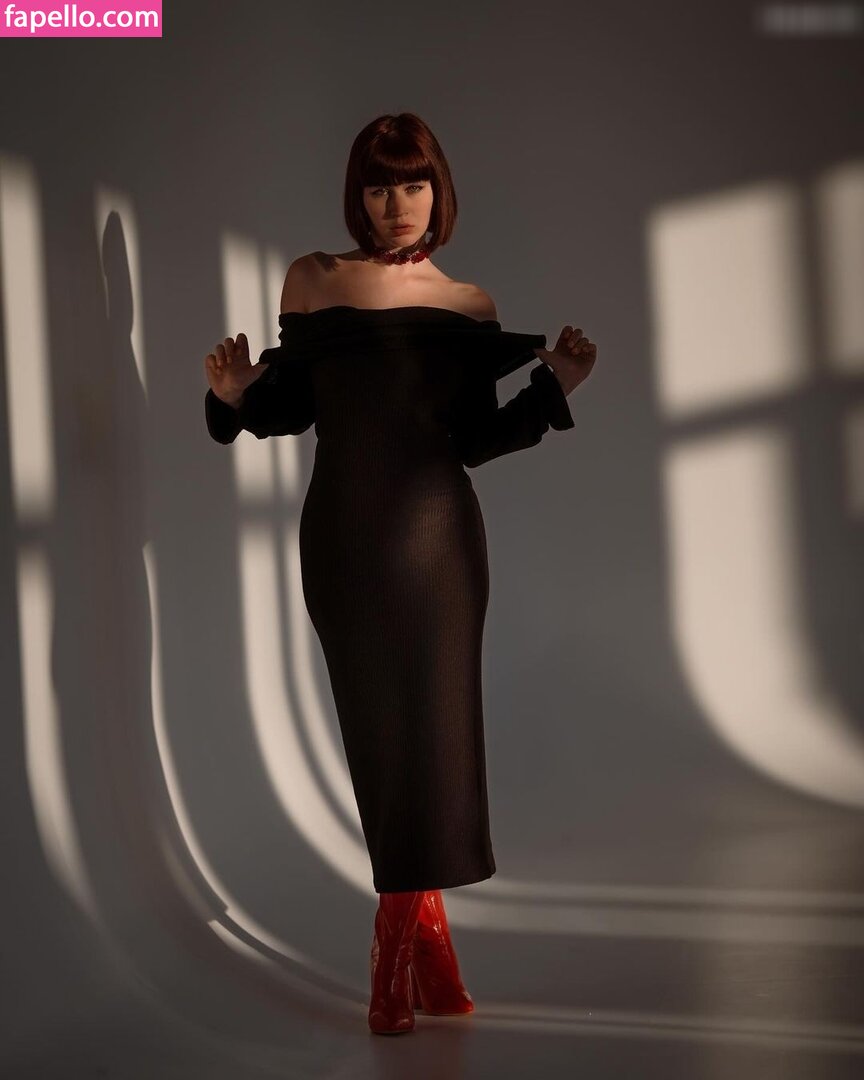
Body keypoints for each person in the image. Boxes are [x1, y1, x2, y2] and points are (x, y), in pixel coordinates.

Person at [203, 112, 597, 1035]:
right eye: (379, 187)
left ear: (437, 192)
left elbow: (474, 440)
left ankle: (397, 953)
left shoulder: (467, 304)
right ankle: (425, 949)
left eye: (413, 185)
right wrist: (234, 397)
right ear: (358, 196)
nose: (395, 205)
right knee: (384, 742)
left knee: (439, 742)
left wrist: (554, 390)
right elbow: (290, 408)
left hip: (442, 545)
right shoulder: (313, 279)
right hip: (344, 539)